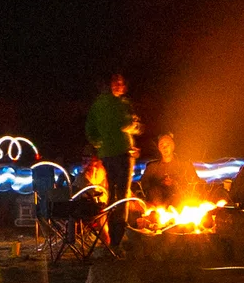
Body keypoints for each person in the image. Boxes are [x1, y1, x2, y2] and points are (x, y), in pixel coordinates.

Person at [84, 73, 141, 248]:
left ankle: (109, 237)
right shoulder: (121, 104)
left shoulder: (97, 104)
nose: (119, 86)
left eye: (120, 83)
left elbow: (90, 129)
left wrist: (99, 144)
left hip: (107, 154)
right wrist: (136, 126)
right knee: (122, 196)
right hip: (122, 153)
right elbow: (126, 124)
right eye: (116, 83)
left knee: (112, 196)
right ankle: (117, 239)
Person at [138, 131, 204, 212]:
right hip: (159, 209)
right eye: (161, 145)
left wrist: (175, 183)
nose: (164, 148)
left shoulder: (185, 165)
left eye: (167, 144)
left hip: (182, 206)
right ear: (158, 148)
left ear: (173, 146)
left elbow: (194, 182)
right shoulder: (152, 167)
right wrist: (158, 186)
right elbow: (144, 185)